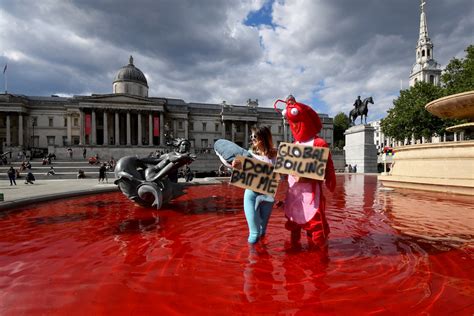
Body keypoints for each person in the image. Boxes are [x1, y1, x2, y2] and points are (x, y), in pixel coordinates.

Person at [278, 95, 336, 248]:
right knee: (294, 225)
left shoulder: (319, 143)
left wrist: (306, 177)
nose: (294, 126)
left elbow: (325, 169)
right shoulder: (293, 144)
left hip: (311, 194)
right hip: (294, 194)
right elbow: (285, 171)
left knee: (315, 230)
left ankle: (319, 258)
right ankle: (294, 255)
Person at [232, 126, 277, 244]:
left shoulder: (276, 155)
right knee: (254, 233)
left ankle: (262, 259)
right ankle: (252, 259)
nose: (252, 139)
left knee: (262, 231)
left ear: (263, 138)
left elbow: (285, 174)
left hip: (268, 197)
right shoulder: (249, 154)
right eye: (251, 136)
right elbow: (241, 173)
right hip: (251, 195)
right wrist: (236, 165)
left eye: (254, 136)